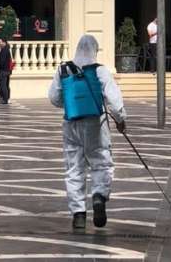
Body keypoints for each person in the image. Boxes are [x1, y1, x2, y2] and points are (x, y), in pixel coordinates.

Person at [48, 34, 128, 231]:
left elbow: (54, 97)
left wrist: (71, 104)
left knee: (74, 167)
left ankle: (78, 214)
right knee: (101, 162)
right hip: (96, 124)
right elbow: (115, 102)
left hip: (71, 123)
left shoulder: (63, 69)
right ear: (95, 50)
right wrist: (120, 120)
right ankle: (99, 196)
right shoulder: (100, 71)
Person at [0, 38, 12, 104]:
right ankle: (5, 98)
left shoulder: (4, 50)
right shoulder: (5, 49)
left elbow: (1, 61)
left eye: (0, 42)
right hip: (6, 71)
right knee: (3, 84)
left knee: (2, 85)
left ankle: (5, 99)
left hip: (3, 71)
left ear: (4, 42)